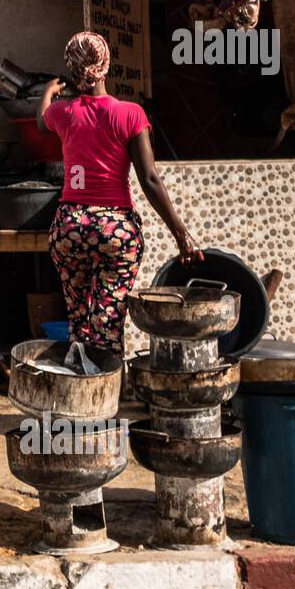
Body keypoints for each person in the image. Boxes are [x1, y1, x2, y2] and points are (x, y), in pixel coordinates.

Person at [37, 31, 202, 355]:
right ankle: (107, 391)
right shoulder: (130, 114)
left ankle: (81, 390)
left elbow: (41, 121)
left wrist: (48, 91)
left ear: (73, 71)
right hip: (115, 232)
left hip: (69, 227)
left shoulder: (64, 113)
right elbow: (150, 179)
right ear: (106, 66)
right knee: (106, 321)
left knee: (80, 319)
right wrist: (180, 234)